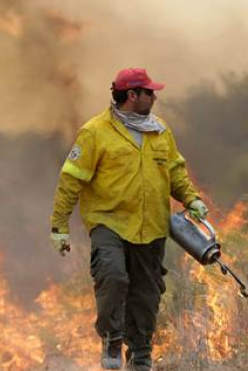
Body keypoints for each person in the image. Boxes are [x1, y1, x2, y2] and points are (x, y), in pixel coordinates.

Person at [49, 68, 208, 371]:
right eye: (148, 92)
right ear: (131, 95)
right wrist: (59, 226)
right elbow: (71, 180)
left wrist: (192, 198)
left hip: (151, 226)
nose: (154, 96)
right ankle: (111, 337)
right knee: (113, 277)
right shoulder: (95, 132)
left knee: (146, 295)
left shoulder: (160, 130)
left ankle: (140, 356)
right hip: (108, 222)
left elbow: (175, 170)